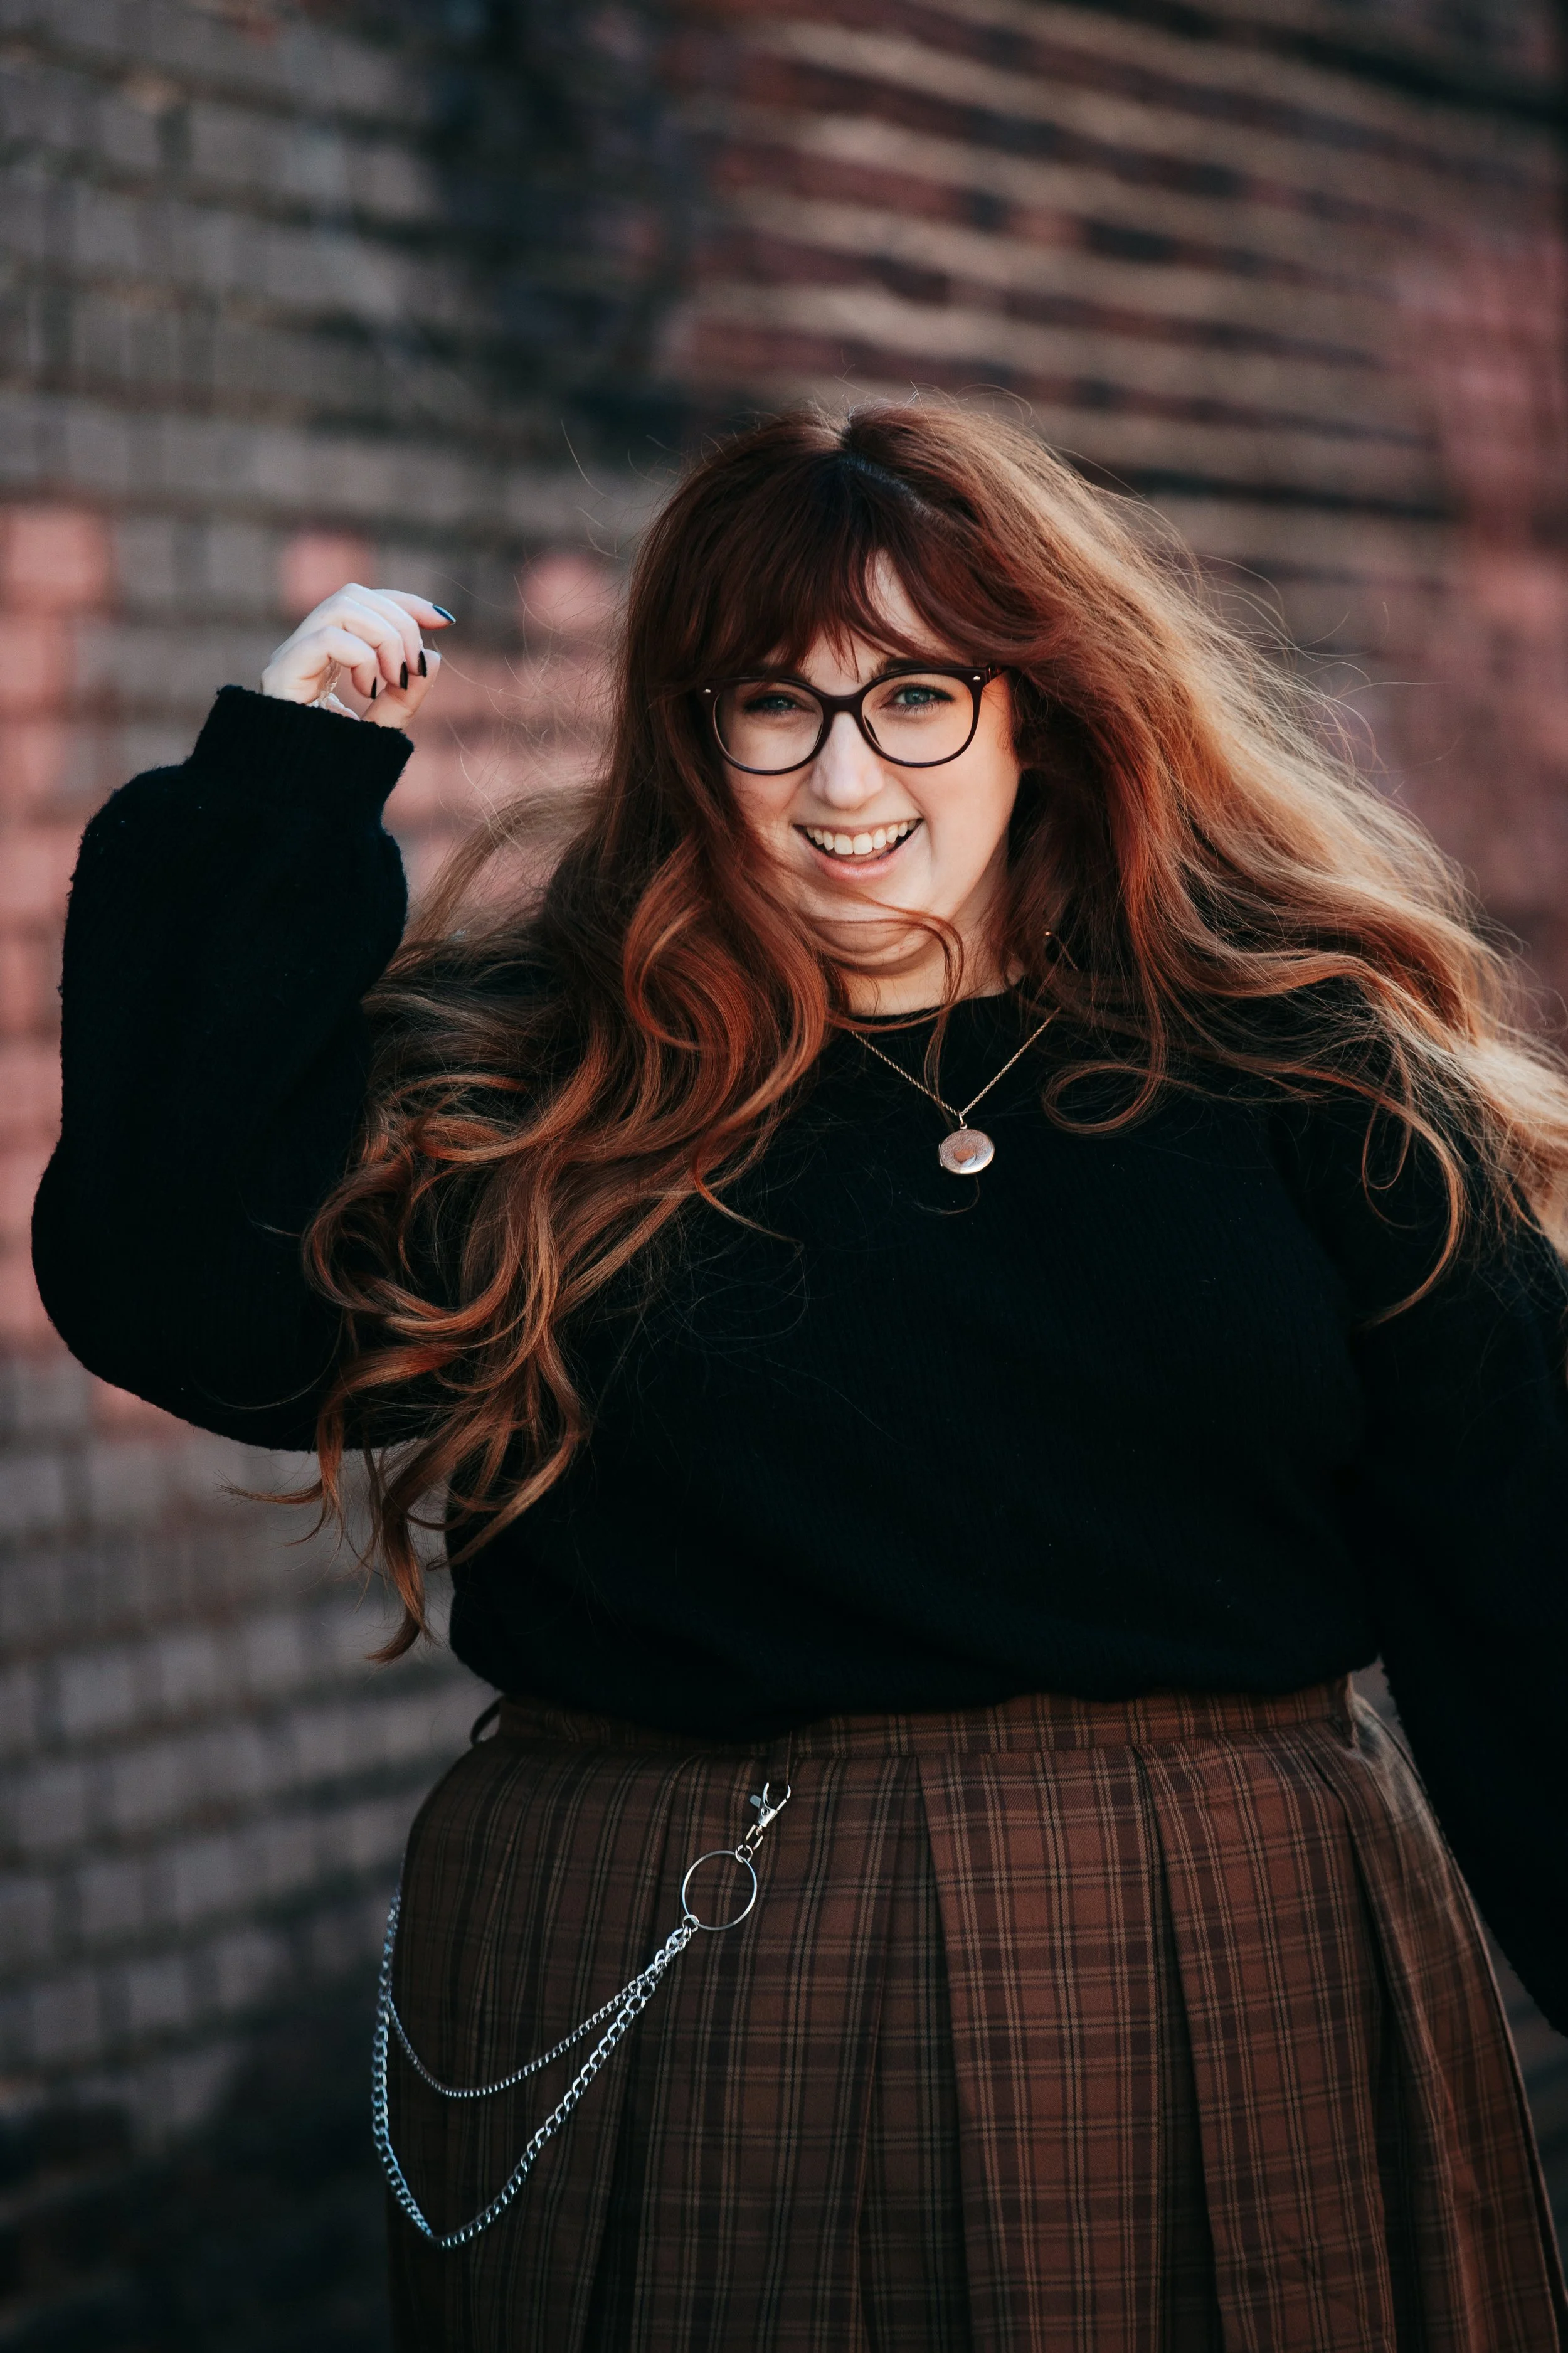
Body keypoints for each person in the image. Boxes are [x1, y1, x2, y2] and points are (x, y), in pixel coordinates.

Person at [33, 404, 1568, 2352]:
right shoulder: (556, 1082)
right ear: (699, 738)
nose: (846, 777)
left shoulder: (1307, 1076)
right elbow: (180, 1295)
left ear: (1046, 712)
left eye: (914, 695)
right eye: (776, 704)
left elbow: (1526, 1575)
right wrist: (280, 785)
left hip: (1199, 1945)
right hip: (661, 1957)